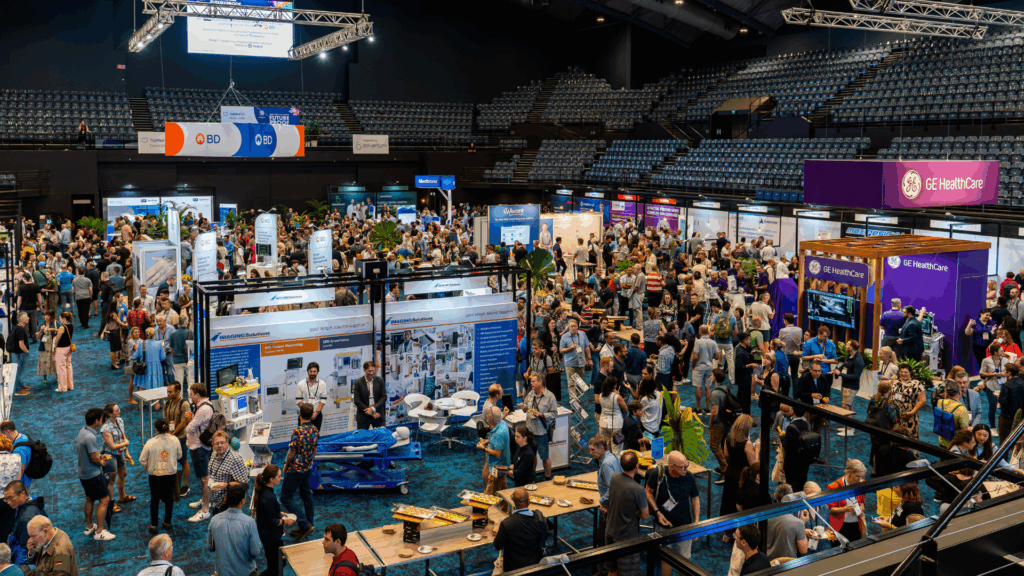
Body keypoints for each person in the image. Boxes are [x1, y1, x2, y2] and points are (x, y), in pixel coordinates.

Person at [646, 451, 700, 570]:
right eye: (682, 467)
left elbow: (695, 498)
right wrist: (657, 512)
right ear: (671, 466)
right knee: (665, 559)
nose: (685, 469)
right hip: (664, 525)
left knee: (684, 562)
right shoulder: (658, 474)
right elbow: (648, 492)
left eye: (687, 465)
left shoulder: (689, 477)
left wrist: (696, 522)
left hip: (684, 525)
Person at [604, 451, 649, 576]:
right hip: (626, 538)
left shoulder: (614, 477)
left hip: (610, 532)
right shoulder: (639, 490)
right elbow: (645, 515)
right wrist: (638, 511)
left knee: (612, 570)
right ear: (636, 467)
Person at [281, 404, 318, 541]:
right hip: (307, 467)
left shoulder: (297, 432)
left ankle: (304, 523)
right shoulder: (315, 429)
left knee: (285, 497)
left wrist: (286, 466)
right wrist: (310, 462)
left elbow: (291, 453)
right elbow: (314, 450)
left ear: (299, 415)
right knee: (306, 495)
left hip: (296, 469)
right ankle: (309, 525)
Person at [76, 408, 114, 541]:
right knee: (105, 499)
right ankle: (99, 532)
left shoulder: (82, 431)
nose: (102, 422)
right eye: (101, 420)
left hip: (83, 474)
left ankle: (89, 526)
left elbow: (91, 454)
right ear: (97, 421)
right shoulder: (90, 437)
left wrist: (98, 456)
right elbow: (93, 458)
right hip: (93, 475)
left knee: (90, 498)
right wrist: (101, 462)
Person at [208, 485, 262, 576]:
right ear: (242, 501)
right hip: (246, 572)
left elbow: (210, 547)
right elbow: (255, 552)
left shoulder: (214, 520)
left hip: (222, 572)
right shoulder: (249, 522)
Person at [139, 418, 180, 535]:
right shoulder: (175, 440)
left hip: (155, 475)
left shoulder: (150, 442)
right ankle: (167, 522)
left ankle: (153, 525)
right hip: (170, 474)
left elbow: (142, 459)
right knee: (169, 498)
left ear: (156, 430)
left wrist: (149, 468)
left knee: (155, 499)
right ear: (168, 427)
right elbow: (179, 455)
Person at [493, 488, 547, 572]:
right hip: (536, 564)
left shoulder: (506, 523)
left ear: (513, 501)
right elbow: (545, 536)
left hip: (513, 568)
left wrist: (500, 532)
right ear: (528, 502)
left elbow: (497, 545)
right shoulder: (540, 518)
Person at [254, 466, 295, 576]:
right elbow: (272, 521)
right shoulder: (269, 497)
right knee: (276, 567)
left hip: (266, 534)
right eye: (278, 476)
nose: (281, 478)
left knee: (276, 564)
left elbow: (267, 511)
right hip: (270, 536)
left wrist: (280, 513)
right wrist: (285, 521)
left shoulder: (264, 491)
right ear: (271, 479)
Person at [720, 415, 756, 531]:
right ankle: (739, 530)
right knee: (739, 501)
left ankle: (727, 531)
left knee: (728, 500)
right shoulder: (747, 444)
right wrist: (758, 450)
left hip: (730, 473)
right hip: (742, 476)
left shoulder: (728, 438)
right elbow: (754, 465)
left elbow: (726, 456)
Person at [589, 435, 620, 563]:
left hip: (609, 507)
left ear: (601, 448)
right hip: (614, 504)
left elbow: (611, 487)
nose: (591, 453)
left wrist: (602, 502)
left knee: (602, 540)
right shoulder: (611, 457)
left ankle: (604, 569)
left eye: (593, 450)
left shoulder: (606, 464)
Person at [520, 373, 557, 481]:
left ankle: (547, 478)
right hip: (530, 431)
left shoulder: (550, 397)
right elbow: (526, 407)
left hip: (541, 433)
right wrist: (523, 407)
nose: (531, 383)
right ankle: (532, 477)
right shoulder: (531, 393)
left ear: (540, 382)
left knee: (545, 457)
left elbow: (554, 414)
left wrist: (542, 415)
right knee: (531, 456)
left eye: (533, 381)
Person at [186, 383, 214, 522]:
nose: (190, 397)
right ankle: (205, 500)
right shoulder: (207, 406)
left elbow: (190, 428)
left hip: (199, 447)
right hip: (201, 446)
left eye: (191, 394)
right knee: (204, 478)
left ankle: (205, 509)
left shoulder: (203, 410)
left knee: (205, 480)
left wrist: (188, 420)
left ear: (197, 395)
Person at [206, 432, 249, 516]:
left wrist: (226, 485)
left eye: (222, 443)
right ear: (213, 444)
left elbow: (244, 484)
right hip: (216, 502)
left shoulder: (235, 459)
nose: (219, 446)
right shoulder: (214, 454)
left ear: (227, 442)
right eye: (217, 443)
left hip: (228, 504)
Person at [162, 381, 191, 499]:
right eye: (168, 391)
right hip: (169, 436)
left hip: (180, 438)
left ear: (178, 391)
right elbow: (164, 418)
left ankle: (185, 485)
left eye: (171, 392)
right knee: (169, 460)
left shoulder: (184, 404)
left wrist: (172, 434)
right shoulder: (167, 403)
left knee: (183, 461)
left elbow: (184, 423)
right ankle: (172, 483)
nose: (168, 394)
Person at [4, 481, 44, 568]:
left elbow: (25, 550)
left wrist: (19, 570)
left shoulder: (26, 518)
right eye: (6, 499)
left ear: (22, 494)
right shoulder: (33, 503)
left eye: (11, 498)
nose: (8, 502)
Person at [100, 403, 132, 509]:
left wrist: (126, 452)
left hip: (120, 453)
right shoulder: (105, 429)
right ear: (110, 414)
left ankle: (122, 496)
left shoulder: (120, 420)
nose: (119, 411)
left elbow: (123, 436)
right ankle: (110, 503)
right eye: (116, 410)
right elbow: (112, 447)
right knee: (111, 480)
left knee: (123, 474)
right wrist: (126, 444)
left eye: (119, 409)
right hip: (110, 455)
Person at [827, 459, 868, 542]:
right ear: (848, 474)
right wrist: (844, 509)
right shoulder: (834, 487)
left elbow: (862, 502)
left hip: (856, 523)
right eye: (857, 476)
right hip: (840, 526)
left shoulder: (862, 483)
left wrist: (861, 507)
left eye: (861, 477)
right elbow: (830, 510)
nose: (860, 480)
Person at [767, 491, 809, 562]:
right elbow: (803, 550)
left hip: (769, 562)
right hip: (788, 564)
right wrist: (803, 523)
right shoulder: (798, 522)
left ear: (775, 496)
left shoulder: (765, 517)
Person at [478, 406, 510, 494]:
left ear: (491, 417)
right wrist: (488, 441)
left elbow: (497, 453)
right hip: (502, 464)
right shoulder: (502, 423)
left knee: (491, 495)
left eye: (487, 414)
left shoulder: (498, 434)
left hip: (497, 468)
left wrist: (483, 448)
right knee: (502, 493)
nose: (486, 416)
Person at [891, 363, 926, 441]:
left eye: (906, 372)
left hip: (909, 416)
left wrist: (912, 413)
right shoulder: (895, 381)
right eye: (901, 371)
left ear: (910, 372)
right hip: (895, 415)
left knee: (909, 439)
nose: (903, 374)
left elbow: (922, 400)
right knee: (895, 438)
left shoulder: (917, 384)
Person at [978, 342, 1010, 430]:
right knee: (992, 407)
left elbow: (1009, 372)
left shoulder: (1005, 360)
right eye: (1001, 351)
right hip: (991, 386)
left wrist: (1004, 374)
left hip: (1003, 386)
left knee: (1005, 407)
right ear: (995, 352)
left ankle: (1004, 425)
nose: (1003, 352)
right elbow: (982, 373)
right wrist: (992, 374)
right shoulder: (986, 360)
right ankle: (992, 427)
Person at [837, 340, 865, 436]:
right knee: (849, 406)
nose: (845, 346)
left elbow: (856, 377)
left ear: (852, 347)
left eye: (847, 345)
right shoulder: (849, 356)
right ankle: (849, 427)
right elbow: (844, 365)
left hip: (851, 387)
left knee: (846, 406)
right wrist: (837, 370)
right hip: (846, 385)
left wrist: (840, 374)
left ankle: (849, 429)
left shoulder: (858, 360)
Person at [691, 325, 721, 415]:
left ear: (700, 331)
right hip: (709, 367)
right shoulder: (713, 342)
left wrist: (693, 365)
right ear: (707, 331)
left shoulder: (698, 342)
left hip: (699, 367)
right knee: (708, 388)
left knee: (698, 387)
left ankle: (698, 408)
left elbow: (695, 356)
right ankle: (707, 409)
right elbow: (717, 356)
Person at [782, 406, 812, 491]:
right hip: (804, 461)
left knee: (791, 487)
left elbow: (788, 447)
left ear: (793, 412)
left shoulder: (791, 427)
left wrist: (782, 438)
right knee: (801, 484)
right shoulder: (807, 424)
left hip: (792, 464)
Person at [295, 362, 328, 431]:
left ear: (317, 372)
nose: (312, 373)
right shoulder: (301, 384)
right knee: (302, 437)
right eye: (311, 371)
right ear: (307, 371)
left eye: (314, 371)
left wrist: (316, 413)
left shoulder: (322, 384)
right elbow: (298, 400)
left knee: (315, 437)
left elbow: (323, 400)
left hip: (317, 415)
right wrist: (307, 413)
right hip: (304, 416)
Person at [596, 375, 628, 443]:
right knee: (617, 448)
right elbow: (626, 410)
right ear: (614, 385)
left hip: (603, 424)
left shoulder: (601, 395)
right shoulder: (618, 397)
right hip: (616, 426)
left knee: (605, 447)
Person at [998, 364, 1024, 441]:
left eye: (1005, 371)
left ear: (1009, 373)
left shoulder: (1006, 385)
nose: (1003, 373)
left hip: (1007, 417)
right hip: (1020, 417)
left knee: (1004, 442)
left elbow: (1003, 401)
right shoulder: (1022, 383)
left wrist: (998, 397)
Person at [10, 314, 31, 397]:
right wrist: (27, 351)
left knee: (20, 369)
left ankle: (20, 386)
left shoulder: (17, 328)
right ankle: (18, 389)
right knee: (20, 371)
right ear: (22, 320)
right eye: (26, 317)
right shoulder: (20, 330)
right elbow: (21, 344)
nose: (28, 318)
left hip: (19, 352)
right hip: (22, 353)